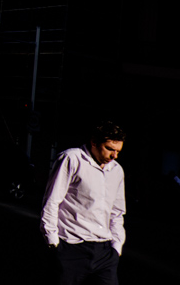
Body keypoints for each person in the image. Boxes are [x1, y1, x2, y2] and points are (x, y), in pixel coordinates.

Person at [40, 121, 127, 285]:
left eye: (117, 151)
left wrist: (116, 247)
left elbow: (117, 212)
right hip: (72, 247)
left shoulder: (116, 170)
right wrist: (53, 243)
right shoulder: (72, 158)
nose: (114, 156)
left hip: (105, 252)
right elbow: (52, 201)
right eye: (109, 149)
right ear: (94, 142)